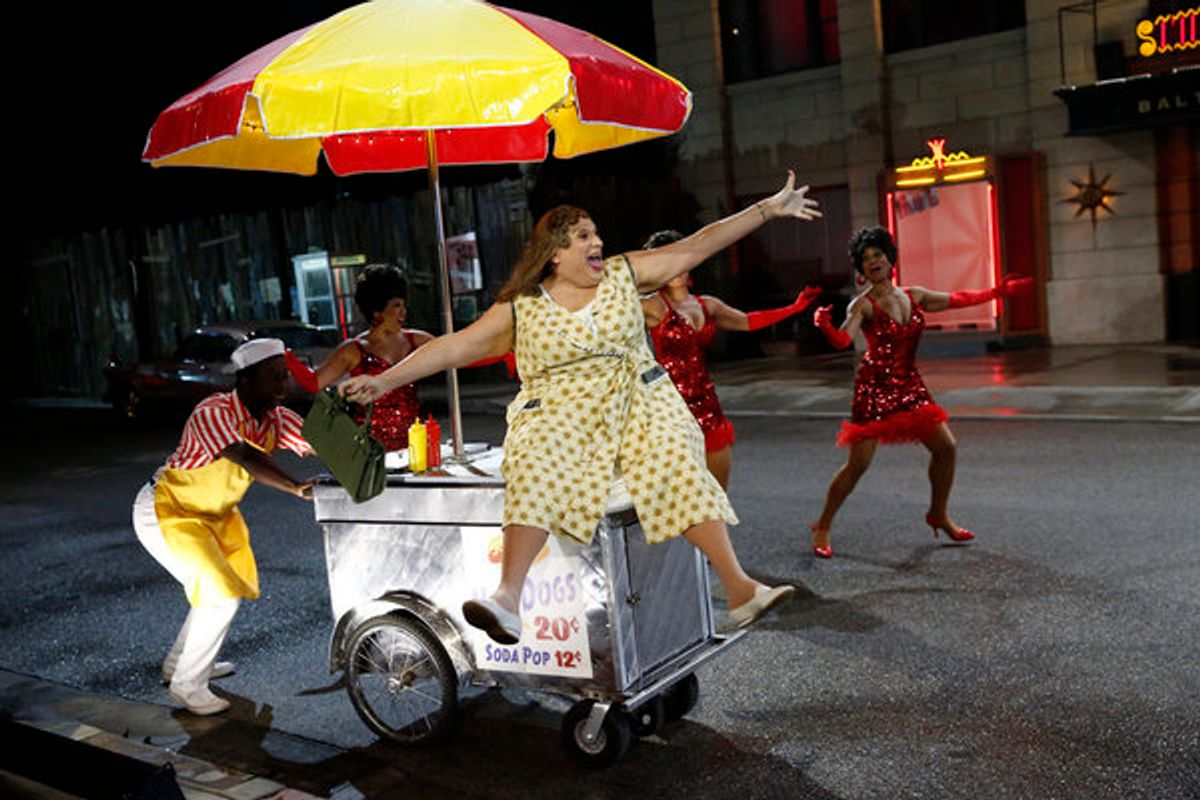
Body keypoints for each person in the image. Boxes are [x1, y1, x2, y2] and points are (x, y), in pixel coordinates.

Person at [341, 171, 823, 644]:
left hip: (640, 399)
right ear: (554, 253)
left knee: (674, 455)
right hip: (560, 414)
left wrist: (766, 210)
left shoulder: (622, 273)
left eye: (597, 234)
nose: (598, 243)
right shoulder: (522, 308)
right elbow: (453, 347)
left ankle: (740, 590)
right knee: (532, 460)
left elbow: (698, 244)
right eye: (584, 236)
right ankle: (508, 600)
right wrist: (382, 381)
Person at [808, 226, 1031, 558]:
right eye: (866, 259)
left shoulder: (915, 295)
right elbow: (843, 339)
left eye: (878, 255)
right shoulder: (862, 304)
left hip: (910, 384)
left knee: (946, 448)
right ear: (861, 268)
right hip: (875, 389)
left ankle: (938, 514)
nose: (873, 262)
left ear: (890, 258)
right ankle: (823, 525)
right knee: (858, 465)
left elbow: (958, 300)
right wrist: (824, 325)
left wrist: (999, 292)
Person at [133, 339, 315, 714]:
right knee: (219, 595)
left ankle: (179, 665)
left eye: (284, 377)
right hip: (167, 511)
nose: (282, 387)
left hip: (212, 516)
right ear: (245, 382)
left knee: (213, 591)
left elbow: (315, 440)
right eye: (273, 379)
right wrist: (295, 486)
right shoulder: (213, 411)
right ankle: (187, 685)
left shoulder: (275, 417)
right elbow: (246, 456)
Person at [641, 229, 821, 488]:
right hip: (668, 414)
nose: (678, 267)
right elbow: (605, 310)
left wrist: (793, 308)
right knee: (679, 503)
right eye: (670, 261)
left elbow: (748, 321)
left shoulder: (708, 305)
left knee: (718, 498)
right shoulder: (650, 305)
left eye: (682, 258)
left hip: (707, 408)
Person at [285, 264, 434, 450]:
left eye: (404, 305)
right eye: (396, 305)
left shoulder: (416, 340)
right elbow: (314, 382)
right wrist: (286, 356)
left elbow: (454, 352)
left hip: (413, 445)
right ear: (377, 310)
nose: (403, 312)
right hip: (368, 451)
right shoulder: (353, 350)